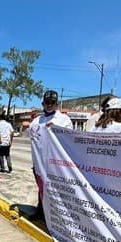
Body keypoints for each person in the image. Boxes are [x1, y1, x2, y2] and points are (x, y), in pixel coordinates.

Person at [28, 90, 73, 220]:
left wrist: (57, 130)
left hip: (55, 164)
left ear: (56, 104)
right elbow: (31, 135)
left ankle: (56, 217)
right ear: (43, 103)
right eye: (47, 102)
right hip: (39, 162)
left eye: (52, 103)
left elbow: (70, 138)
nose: (49, 105)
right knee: (41, 189)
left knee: (55, 191)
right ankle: (41, 211)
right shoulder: (37, 120)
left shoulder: (64, 119)